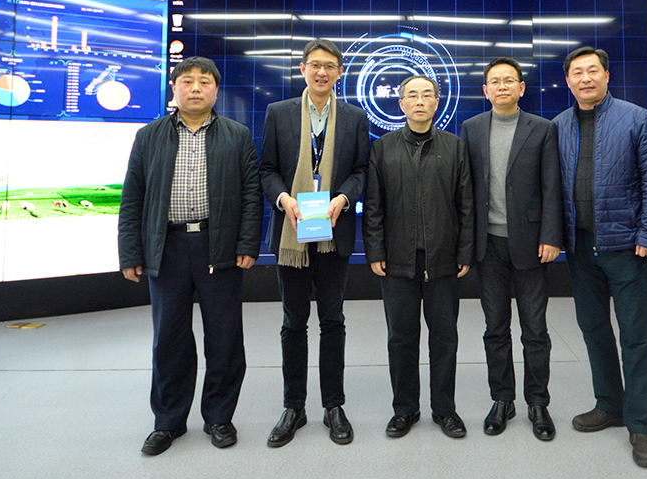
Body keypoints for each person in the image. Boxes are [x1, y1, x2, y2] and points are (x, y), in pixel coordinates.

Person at [118, 56, 262, 456]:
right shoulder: (149, 136)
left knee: (224, 337)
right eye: (187, 81)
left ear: (216, 90)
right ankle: (168, 422)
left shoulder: (237, 135)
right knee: (169, 339)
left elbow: (251, 196)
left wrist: (247, 245)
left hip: (219, 247)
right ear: (174, 88)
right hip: (166, 248)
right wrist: (131, 252)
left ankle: (219, 417)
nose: (195, 88)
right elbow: (132, 198)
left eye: (204, 82)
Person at [552, 46, 647, 468]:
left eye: (592, 71)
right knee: (594, 329)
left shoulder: (634, 118)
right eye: (577, 73)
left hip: (626, 247)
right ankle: (610, 404)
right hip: (580, 247)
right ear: (568, 81)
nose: (585, 78)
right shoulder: (559, 125)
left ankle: (641, 426)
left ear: (606, 75)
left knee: (635, 337)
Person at [259, 39, 370, 447]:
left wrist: (343, 198)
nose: (322, 72)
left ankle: (333, 406)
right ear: (303, 69)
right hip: (292, 231)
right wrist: (283, 198)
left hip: (333, 233)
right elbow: (267, 169)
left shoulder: (355, 117)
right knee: (293, 323)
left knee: (332, 321)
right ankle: (294, 407)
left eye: (329, 66)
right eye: (315, 65)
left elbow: (361, 170)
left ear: (339, 72)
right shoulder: (279, 113)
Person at [363, 75, 474, 440]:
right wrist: (375, 250)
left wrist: (464, 251)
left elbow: (466, 205)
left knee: (444, 339)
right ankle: (404, 410)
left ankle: (445, 410)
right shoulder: (383, 148)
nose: (420, 101)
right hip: (397, 262)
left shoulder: (455, 147)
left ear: (437, 102)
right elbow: (374, 206)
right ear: (402, 104)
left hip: (443, 261)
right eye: (412, 95)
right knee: (401, 339)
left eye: (427, 95)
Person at [460, 57, 562, 441]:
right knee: (495, 328)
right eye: (494, 81)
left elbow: (552, 186)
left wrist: (551, 236)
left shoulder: (543, 129)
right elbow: (466, 191)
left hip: (532, 244)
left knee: (535, 330)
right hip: (488, 245)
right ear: (485, 90)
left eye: (509, 80)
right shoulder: (471, 128)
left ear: (521, 88)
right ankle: (502, 399)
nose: (501, 86)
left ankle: (538, 402)